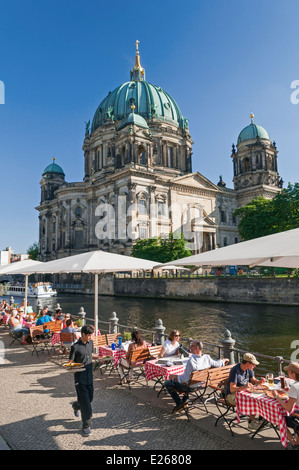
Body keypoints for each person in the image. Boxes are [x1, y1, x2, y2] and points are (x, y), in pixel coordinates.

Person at [164, 340, 229, 412]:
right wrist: (223, 361)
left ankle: (179, 403)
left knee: (167, 383)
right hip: (201, 385)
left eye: (192, 345)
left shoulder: (191, 361)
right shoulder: (207, 358)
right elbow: (217, 364)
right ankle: (185, 400)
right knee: (186, 380)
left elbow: (185, 380)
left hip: (190, 387)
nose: (190, 347)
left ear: (197, 348)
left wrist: (175, 376)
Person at [69, 324, 97, 436]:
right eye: (89, 335)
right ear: (83, 334)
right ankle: (86, 426)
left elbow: (90, 355)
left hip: (89, 377)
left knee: (89, 399)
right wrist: (72, 368)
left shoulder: (90, 343)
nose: (90, 337)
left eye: (91, 335)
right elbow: (70, 363)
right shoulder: (75, 347)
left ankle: (76, 405)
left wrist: (98, 357)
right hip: (80, 380)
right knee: (87, 406)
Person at [225, 352, 265, 430]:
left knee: (262, 398)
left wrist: (260, 381)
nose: (254, 366)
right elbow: (232, 389)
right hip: (232, 396)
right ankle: (251, 422)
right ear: (247, 363)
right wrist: (244, 387)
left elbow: (253, 381)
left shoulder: (248, 369)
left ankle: (262, 419)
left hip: (244, 393)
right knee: (254, 401)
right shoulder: (235, 371)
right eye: (253, 364)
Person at [272, 363, 299, 449]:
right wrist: (290, 391)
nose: (287, 374)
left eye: (289, 372)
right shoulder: (294, 387)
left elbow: (288, 408)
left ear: (293, 374)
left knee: (280, 419)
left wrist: (276, 397)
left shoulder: (295, 387)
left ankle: (294, 443)